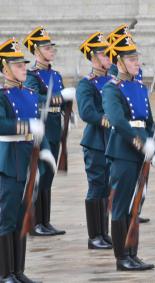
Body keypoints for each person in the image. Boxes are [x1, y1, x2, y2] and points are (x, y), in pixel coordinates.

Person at [0, 37, 56, 283]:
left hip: (27, 162)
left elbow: (39, 129)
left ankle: (18, 271)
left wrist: (45, 151)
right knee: (6, 219)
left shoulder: (32, 95)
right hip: (9, 163)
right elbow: (2, 125)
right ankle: (5, 273)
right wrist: (26, 125)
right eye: (18, 65)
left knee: (22, 217)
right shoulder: (2, 96)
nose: (24, 69)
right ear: (5, 69)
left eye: (24, 65)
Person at [102, 34, 155, 271]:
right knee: (122, 205)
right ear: (120, 62)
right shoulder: (111, 88)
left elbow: (150, 122)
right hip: (124, 151)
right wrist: (139, 143)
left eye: (137, 59)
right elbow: (117, 120)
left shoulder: (138, 86)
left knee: (136, 204)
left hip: (142, 151)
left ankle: (133, 253)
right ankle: (121, 257)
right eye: (132, 59)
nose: (137, 63)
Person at [23, 26, 74, 236]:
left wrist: (68, 114)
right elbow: (34, 100)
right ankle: (35, 222)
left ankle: (45, 221)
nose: (51, 50)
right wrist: (61, 98)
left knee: (49, 175)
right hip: (41, 129)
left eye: (51, 46)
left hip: (54, 127)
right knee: (40, 174)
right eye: (46, 47)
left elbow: (62, 101)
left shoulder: (56, 74)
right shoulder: (31, 76)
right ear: (36, 52)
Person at [76, 31, 113, 249]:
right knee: (96, 187)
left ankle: (104, 232)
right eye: (104, 55)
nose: (109, 58)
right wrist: (110, 120)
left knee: (108, 188)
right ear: (93, 57)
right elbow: (87, 113)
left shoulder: (112, 81)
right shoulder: (86, 84)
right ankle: (94, 236)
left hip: (112, 142)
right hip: (96, 141)